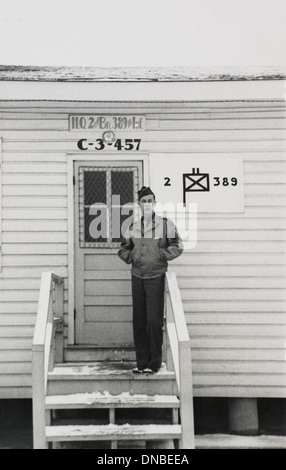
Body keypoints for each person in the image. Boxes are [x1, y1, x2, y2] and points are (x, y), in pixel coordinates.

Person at [118, 186, 184, 374]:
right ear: (139, 204)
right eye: (143, 201)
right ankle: (141, 363)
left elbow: (177, 246)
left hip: (155, 275)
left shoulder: (165, 224)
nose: (147, 204)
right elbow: (123, 248)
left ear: (154, 203)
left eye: (150, 201)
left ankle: (154, 363)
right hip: (137, 276)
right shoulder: (132, 226)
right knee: (139, 321)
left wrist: (160, 255)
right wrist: (132, 257)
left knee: (154, 321)